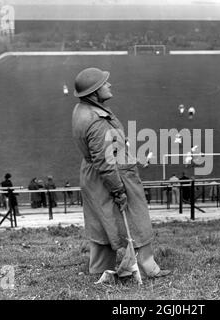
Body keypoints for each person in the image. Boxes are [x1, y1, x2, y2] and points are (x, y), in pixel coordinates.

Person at [71, 67, 170, 278]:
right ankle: (146, 267)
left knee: (101, 221)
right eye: (104, 84)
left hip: (92, 175)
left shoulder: (83, 110)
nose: (109, 85)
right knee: (138, 220)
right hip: (113, 174)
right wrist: (119, 191)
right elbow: (105, 162)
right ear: (94, 93)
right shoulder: (97, 121)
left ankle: (99, 268)